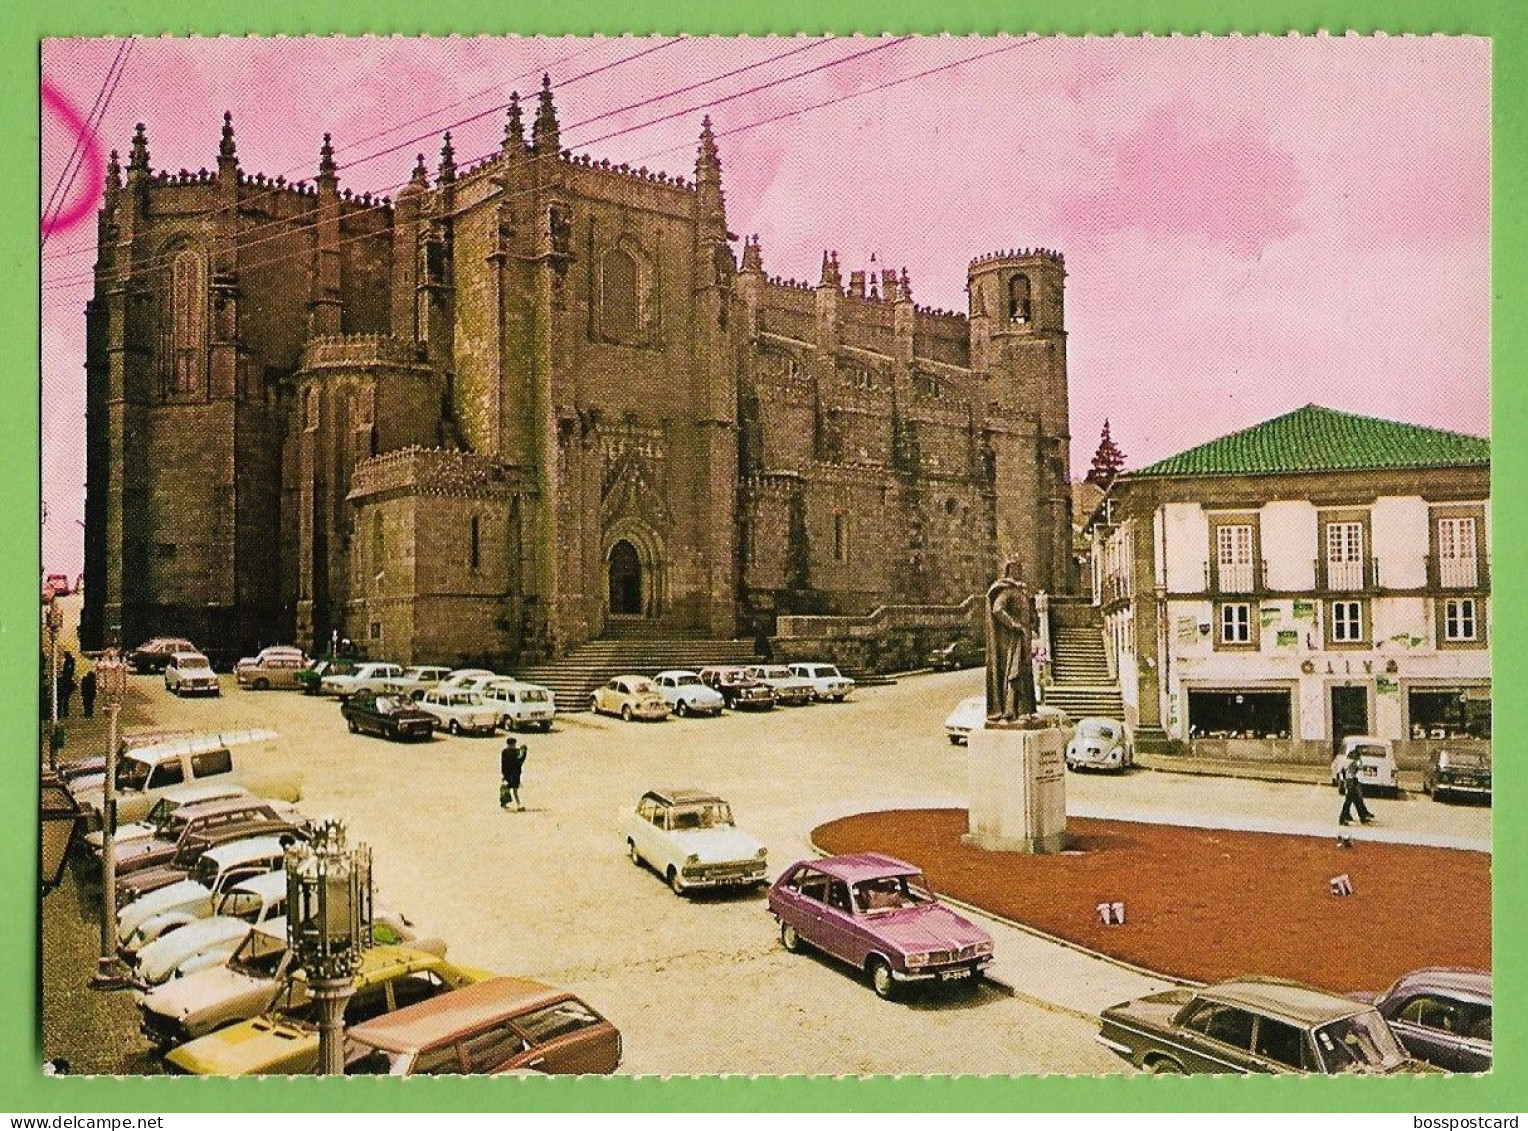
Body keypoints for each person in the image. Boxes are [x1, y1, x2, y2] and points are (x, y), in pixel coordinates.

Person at [985, 558, 1038, 722]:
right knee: (1014, 675)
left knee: (1025, 674)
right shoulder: (1006, 591)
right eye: (1016, 569)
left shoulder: (1022, 592)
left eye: (1020, 568)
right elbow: (997, 609)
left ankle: (1024, 709)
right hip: (1014, 641)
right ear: (1009, 571)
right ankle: (1010, 711)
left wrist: (1032, 620)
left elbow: (1030, 614)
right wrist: (1014, 625)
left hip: (1025, 639)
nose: (1019, 571)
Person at [1338, 751, 1375, 826]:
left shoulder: (1346, 762)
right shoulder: (1355, 762)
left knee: (1356, 801)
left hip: (1349, 781)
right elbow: (1361, 767)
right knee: (1349, 802)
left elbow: (1341, 772)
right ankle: (1342, 818)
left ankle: (1362, 817)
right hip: (1352, 781)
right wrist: (1360, 761)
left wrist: (1343, 781)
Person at [500, 737, 527, 811]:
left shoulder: (504, 752)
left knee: (507, 789)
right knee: (512, 790)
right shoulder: (516, 752)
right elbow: (520, 761)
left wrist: (503, 774)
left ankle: (506, 804)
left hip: (509, 773)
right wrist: (524, 752)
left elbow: (503, 763)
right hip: (514, 773)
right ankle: (518, 805)